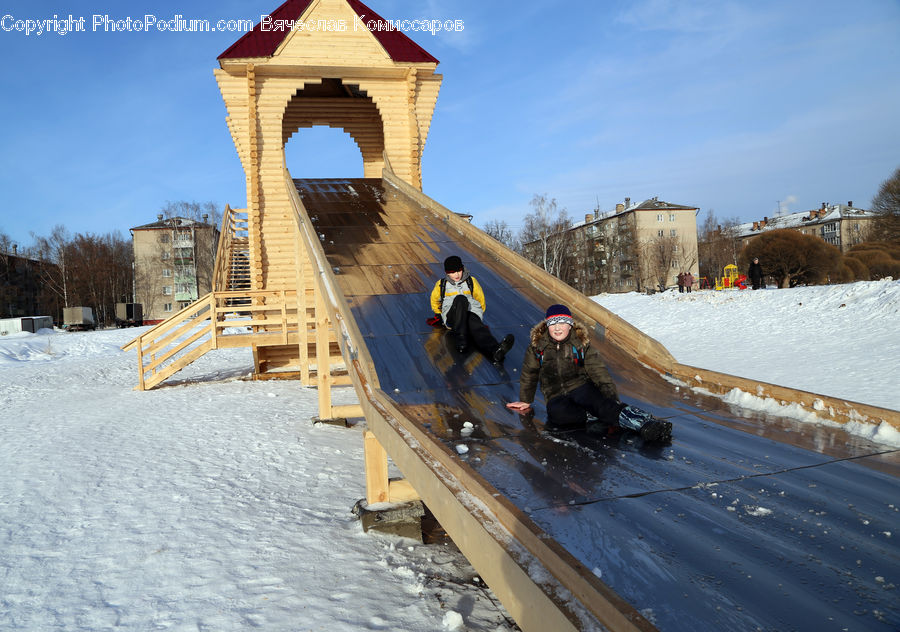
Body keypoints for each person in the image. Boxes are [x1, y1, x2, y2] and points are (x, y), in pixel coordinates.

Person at [506, 304, 672, 442]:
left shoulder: (579, 344)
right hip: (554, 394)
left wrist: (610, 396)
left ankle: (646, 424)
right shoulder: (537, 348)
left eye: (562, 323)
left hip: (581, 386)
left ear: (570, 325)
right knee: (558, 416)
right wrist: (525, 400)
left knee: (601, 404)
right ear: (547, 326)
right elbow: (530, 373)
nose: (558, 328)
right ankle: (599, 415)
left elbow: (597, 369)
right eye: (553, 324)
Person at [430, 255, 514, 363]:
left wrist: (477, 315)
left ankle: (496, 350)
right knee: (460, 299)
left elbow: (480, 299)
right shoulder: (442, 284)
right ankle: (461, 339)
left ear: (462, 269)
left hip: (469, 313)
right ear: (447, 273)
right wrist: (438, 314)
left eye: (459, 271)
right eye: (453, 272)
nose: (457, 274)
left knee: (478, 328)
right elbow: (434, 300)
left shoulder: (471, 281)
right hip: (452, 316)